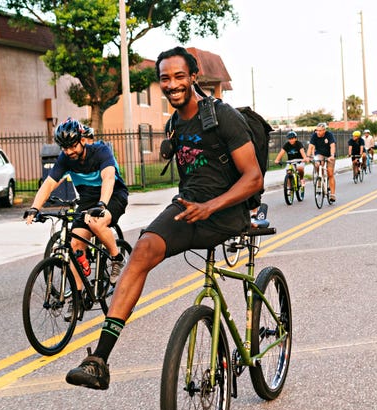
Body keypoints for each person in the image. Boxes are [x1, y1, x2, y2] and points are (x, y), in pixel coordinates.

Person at [64, 46, 262, 390]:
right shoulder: (173, 124)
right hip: (188, 209)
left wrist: (211, 206)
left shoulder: (222, 115)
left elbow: (254, 177)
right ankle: (99, 361)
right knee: (141, 250)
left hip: (225, 213)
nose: (171, 84)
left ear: (194, 77)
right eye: (165, 79)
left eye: (179, 76)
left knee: (166, 240)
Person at [25, 118, 129, 306]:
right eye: (65, 148)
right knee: (75, 243)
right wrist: (35, 207)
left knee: (95, 223)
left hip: (113, 196)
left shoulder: (101, 151)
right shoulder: (65, 159)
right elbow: (49, 183)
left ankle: (116, 257)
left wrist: (103, 204)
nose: (69, 152)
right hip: (88, 200)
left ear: (82, 140)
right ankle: (78, 296)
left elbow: (108, 179)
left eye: (72, 146)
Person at [307, 122, 337, 202]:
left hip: (329, 155)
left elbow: (332, 145)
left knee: (330, 173)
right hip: (320, 154)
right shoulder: (314, 136)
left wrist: (332, 155)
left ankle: (332, 194)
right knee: (317, 164)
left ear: (324, 130)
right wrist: (308, 156)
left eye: (320, 131)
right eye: (317, 130)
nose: (318, 132)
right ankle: (320, 178)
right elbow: (310, 147)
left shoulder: (329, 135)